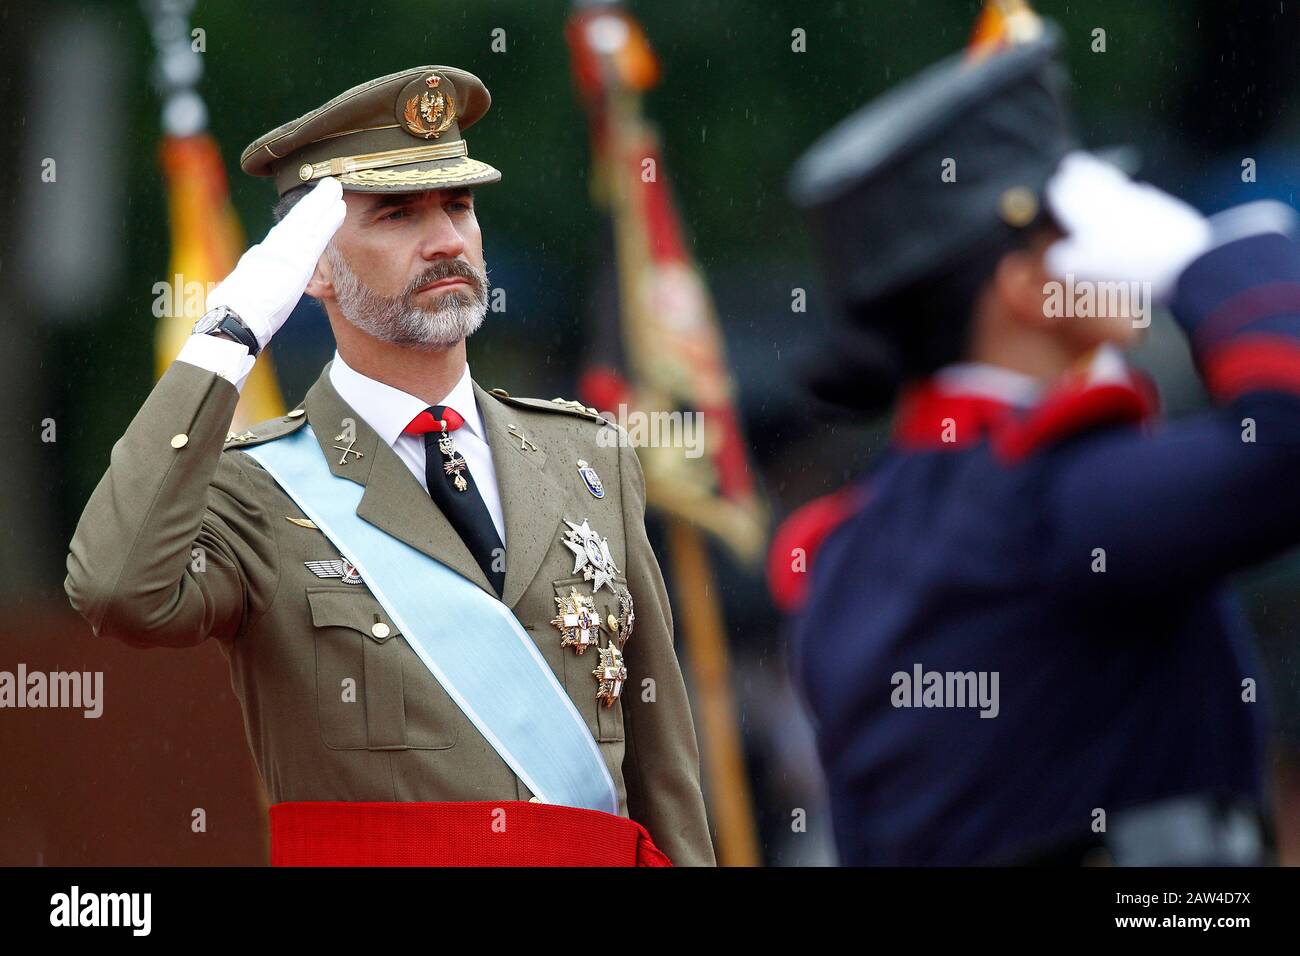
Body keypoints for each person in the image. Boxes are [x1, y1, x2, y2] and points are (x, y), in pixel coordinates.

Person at [64, 65, 714, 867]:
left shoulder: (587, 457)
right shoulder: (254, 489)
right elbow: (115, 587)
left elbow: (664, 780)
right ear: (314, 271)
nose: (445, 238)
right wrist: (228, 333)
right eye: (398, 215)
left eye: (459, 205)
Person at [771, 26, 1300, 865]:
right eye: (1081, 224)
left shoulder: (858, 542)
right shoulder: (1059, 498)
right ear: (1025, 287)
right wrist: (1215, 258)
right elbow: (1286, 441)